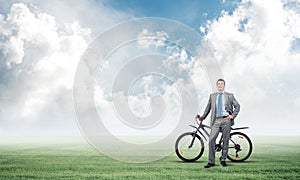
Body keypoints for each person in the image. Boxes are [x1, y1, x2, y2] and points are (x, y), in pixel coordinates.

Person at [197, 79, 240, 168]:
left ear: (224, 85)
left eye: (222, 84)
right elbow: (208, 108)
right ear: (216, 86)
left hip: (226, 120)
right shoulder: (212, 96)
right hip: (216, 120)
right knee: (211, 139)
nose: (220, 85)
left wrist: (232, 116)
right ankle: (211, 161)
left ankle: (223, 159)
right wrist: (202, 117)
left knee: (225, 140)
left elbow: (237, 106)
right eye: (218, 84)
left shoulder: (230, 96)